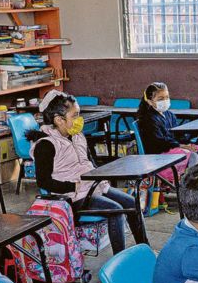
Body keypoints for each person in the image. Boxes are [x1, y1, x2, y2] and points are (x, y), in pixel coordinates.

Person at [29, 90, 145, 255]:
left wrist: (102, 176)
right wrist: (74, 186)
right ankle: (121, 258)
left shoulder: (77, 136)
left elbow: (89, 163)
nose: (79, 120)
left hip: (92, 187)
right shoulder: (46, 145)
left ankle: (144, 247)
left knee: (132, 203)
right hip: (72, 196)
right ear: (59, 120)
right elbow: (44, 182)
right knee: (116, 210)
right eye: (75, 115)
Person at [136, 82, 198, 182]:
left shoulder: (169, 115)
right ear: (149, 101)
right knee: (192, 156)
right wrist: (180, 145)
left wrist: (189, 138)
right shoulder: (148, 119)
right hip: (158, 155)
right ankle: (189, 187)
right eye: (160, 99)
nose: (165, 101)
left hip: (171, 148)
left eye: (167, 97)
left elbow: (177, 134)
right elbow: (158, 143)